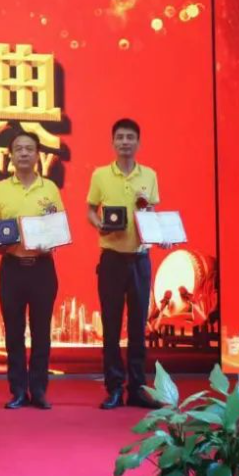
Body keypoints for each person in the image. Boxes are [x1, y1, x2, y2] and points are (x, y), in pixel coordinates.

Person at [87, 117, 164, 410]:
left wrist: (161, 234)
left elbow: (151, 211)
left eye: (130, 137)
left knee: (137, 328)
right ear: (113, 142)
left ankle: (138, 388)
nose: (125, 142)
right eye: (120, 137)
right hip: (111, 260)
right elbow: (90, 210)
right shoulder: (100, 175)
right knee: (110, 327)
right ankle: (114, 388)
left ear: (138, 143)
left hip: (140, 260)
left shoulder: (150, 175)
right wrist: (99, 224)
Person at [0, 131, 63, 409]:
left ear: (37, 154)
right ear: (11, 155)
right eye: (18, 149)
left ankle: (39, 390)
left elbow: (58, 226)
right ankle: (18, 390)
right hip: (12, 268)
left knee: (41, 332)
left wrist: (50, 241)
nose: (23, 153)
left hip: (42, 268)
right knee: (14, 332)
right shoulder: (1, 189)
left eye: (29, 149)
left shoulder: (50, 188)